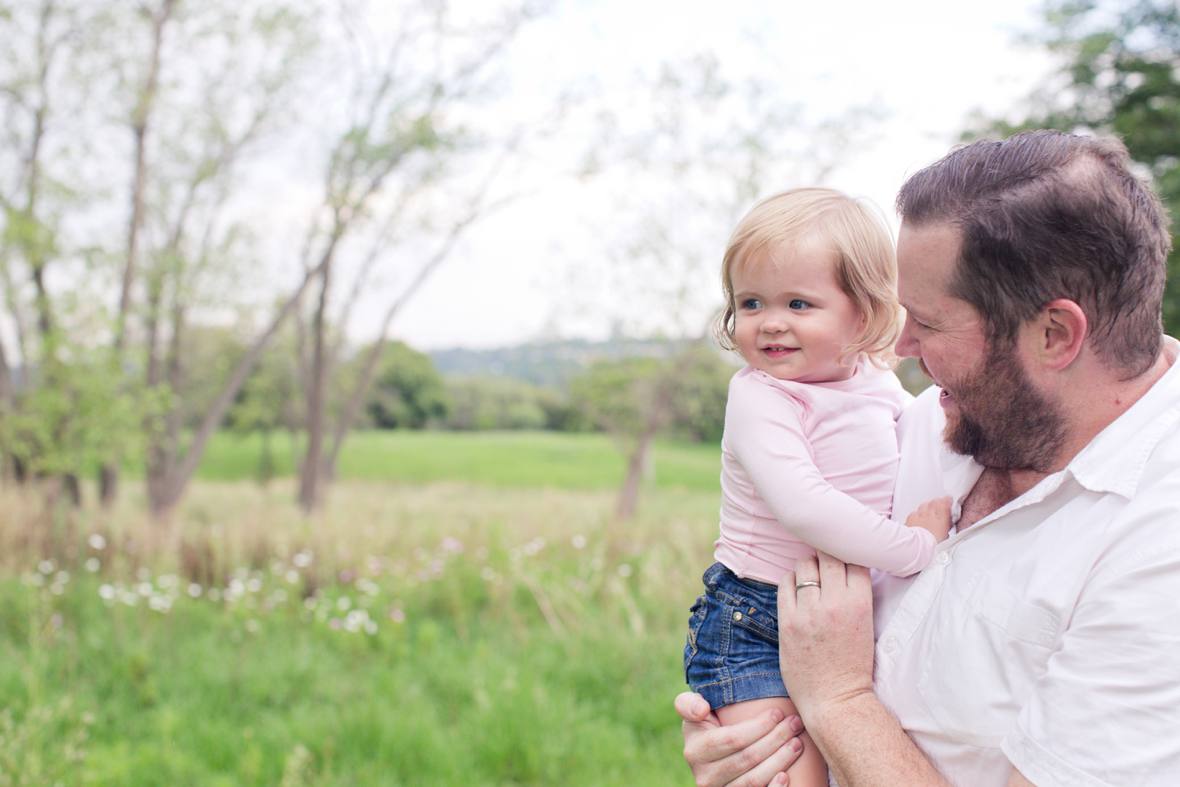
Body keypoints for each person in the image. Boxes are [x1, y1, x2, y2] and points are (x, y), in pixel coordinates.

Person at [678, 130, 1180, 786]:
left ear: (1054, 334)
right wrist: (753, 751)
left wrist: (837, 699)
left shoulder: (1155, 539)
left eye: (929, 323)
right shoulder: (926, 424)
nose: (901, 345)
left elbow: (831, 682)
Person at [684, 187, 952, 787]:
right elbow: (804, 506)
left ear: (864, 313)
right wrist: (910, 548)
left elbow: (917, 441)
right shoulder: (761, 395)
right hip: (756, 619)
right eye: (750, 302)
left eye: (799, 303)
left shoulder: (877, 384)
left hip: (847, 609)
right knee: (787, 776)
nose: (770, 322)